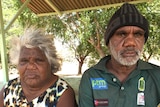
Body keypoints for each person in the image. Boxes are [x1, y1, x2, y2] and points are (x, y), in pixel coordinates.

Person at [79, 2, 160, 107]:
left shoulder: (157, 76)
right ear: (108, 42)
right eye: (122, 34)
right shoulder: (91, 77)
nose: (130, 43)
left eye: (137, 34)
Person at [0, 26, 78, 107]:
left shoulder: (62, 93)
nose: (30, 66)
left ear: (50, 63)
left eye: (38, 60)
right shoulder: (8, 89)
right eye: (24, 61)